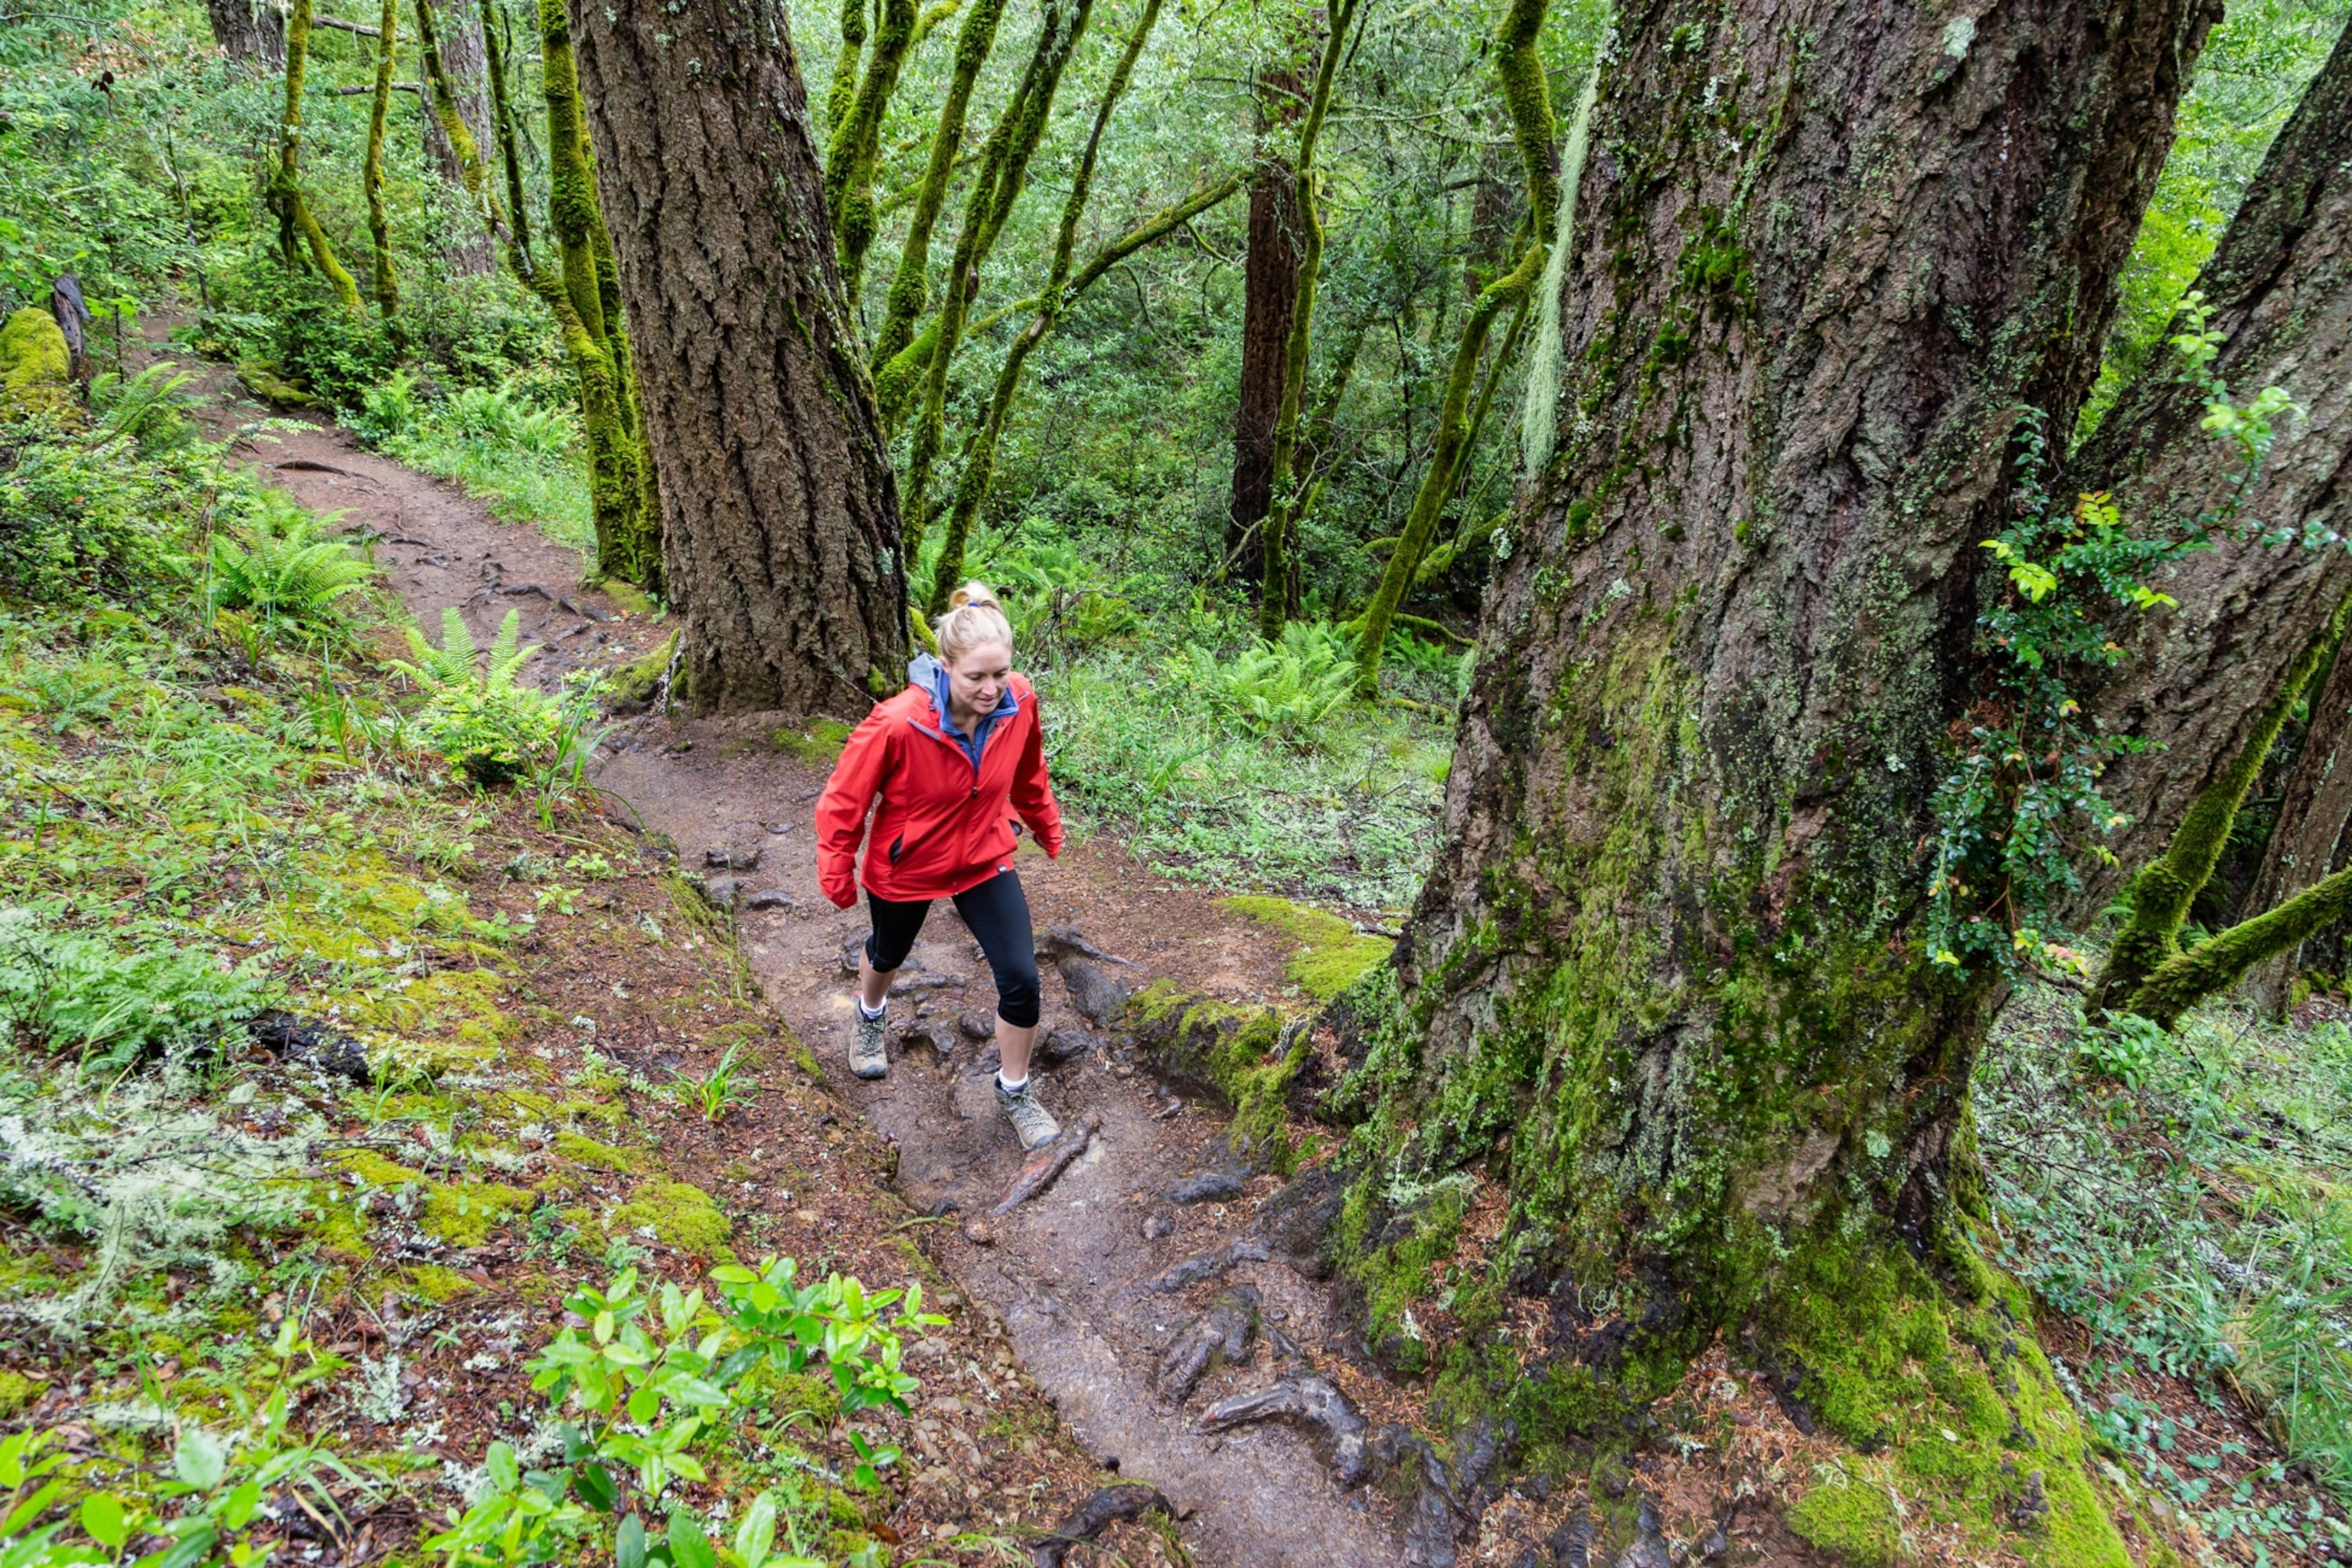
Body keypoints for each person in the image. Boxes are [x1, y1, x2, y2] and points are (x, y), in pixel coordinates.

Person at [815, 583, 1067, 1149]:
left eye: (1000, 673)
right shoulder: (899, 722)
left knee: (1022, 978)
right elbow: (843, 800)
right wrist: (836, 868)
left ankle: (1015, 1090)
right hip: (909, 862)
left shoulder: (1019, 703)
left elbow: (1030, 774)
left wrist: (1045, 824)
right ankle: (871, 1014)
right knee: (887, 952)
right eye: (976, 677)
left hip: (983, 856)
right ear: (945, 666)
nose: (991, 688)